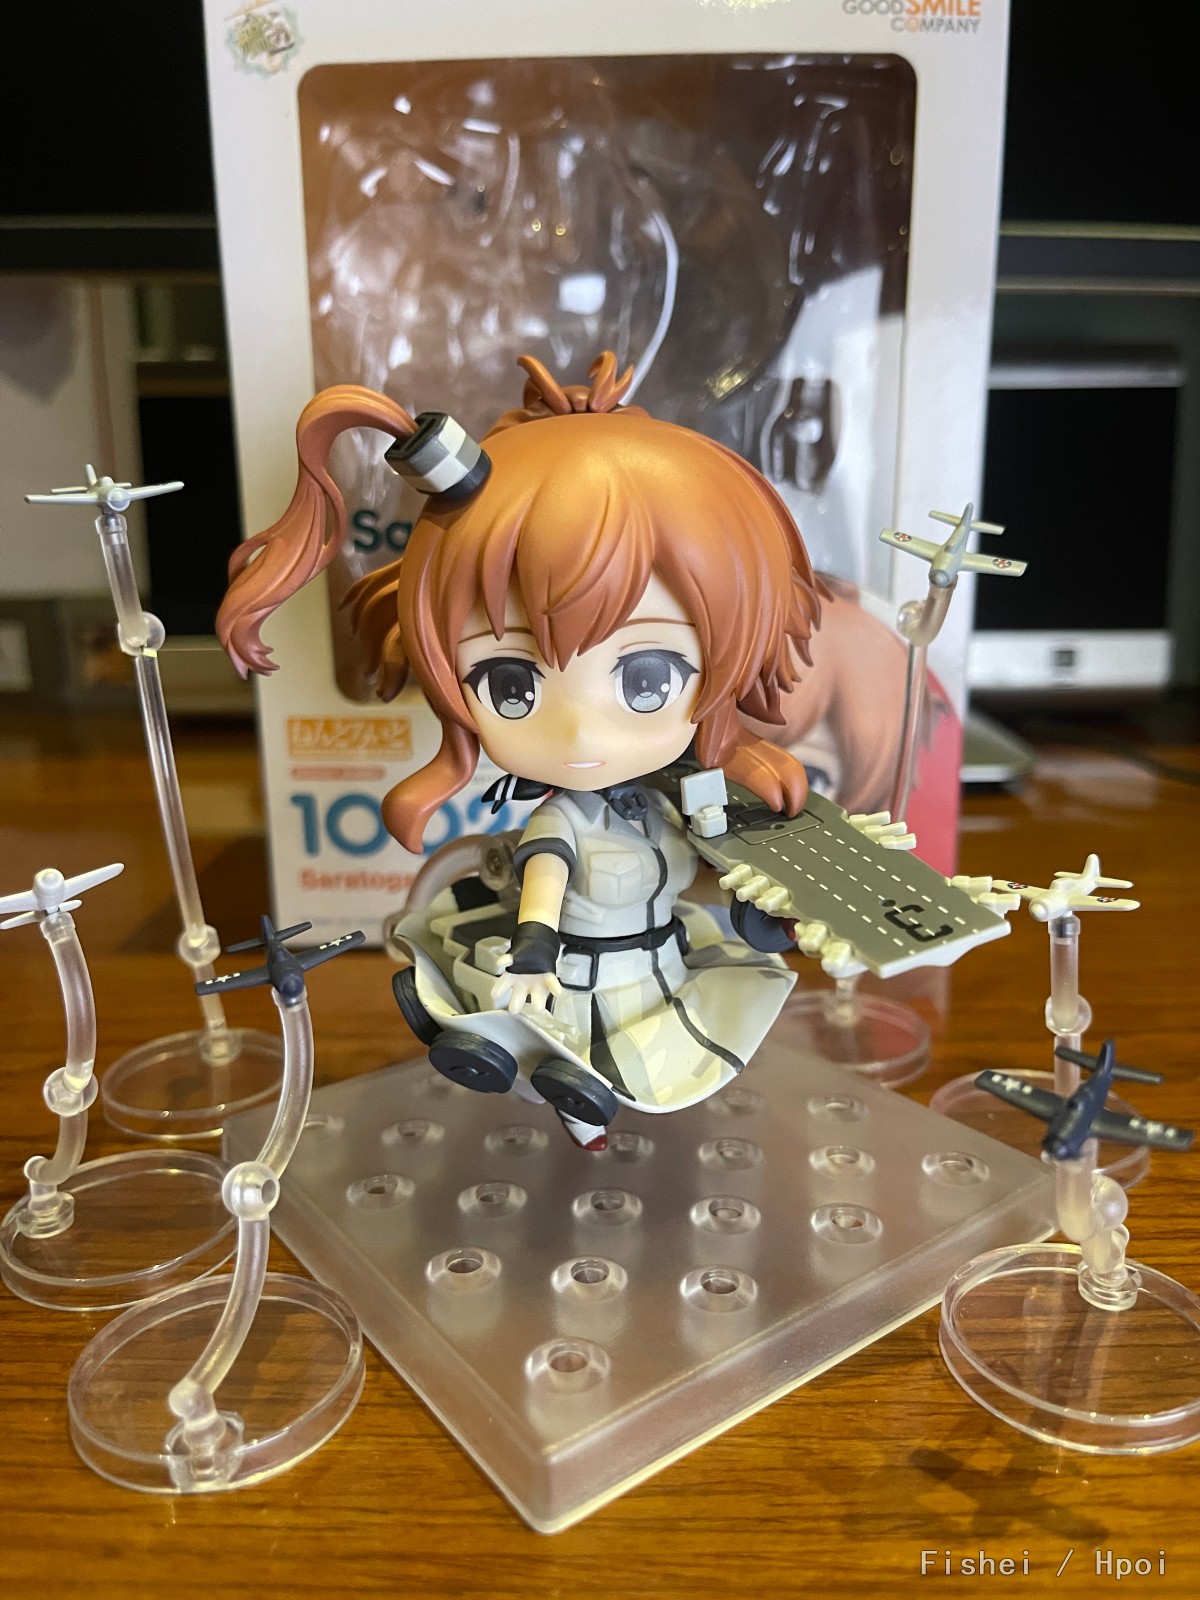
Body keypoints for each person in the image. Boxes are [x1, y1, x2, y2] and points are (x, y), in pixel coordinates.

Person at [218, 351, 822, 1148]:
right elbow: (543, 890)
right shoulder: (560, 821)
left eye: (646, 679)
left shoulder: (676, 800)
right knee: (575, 1053)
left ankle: (560, 1080)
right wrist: (534, 952)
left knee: (671, 1043)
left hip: (657, 967)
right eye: (511, 685)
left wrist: (766, 912)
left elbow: (716, 870)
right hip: (570, 977)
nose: (579, 734)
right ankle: (523, 1060)